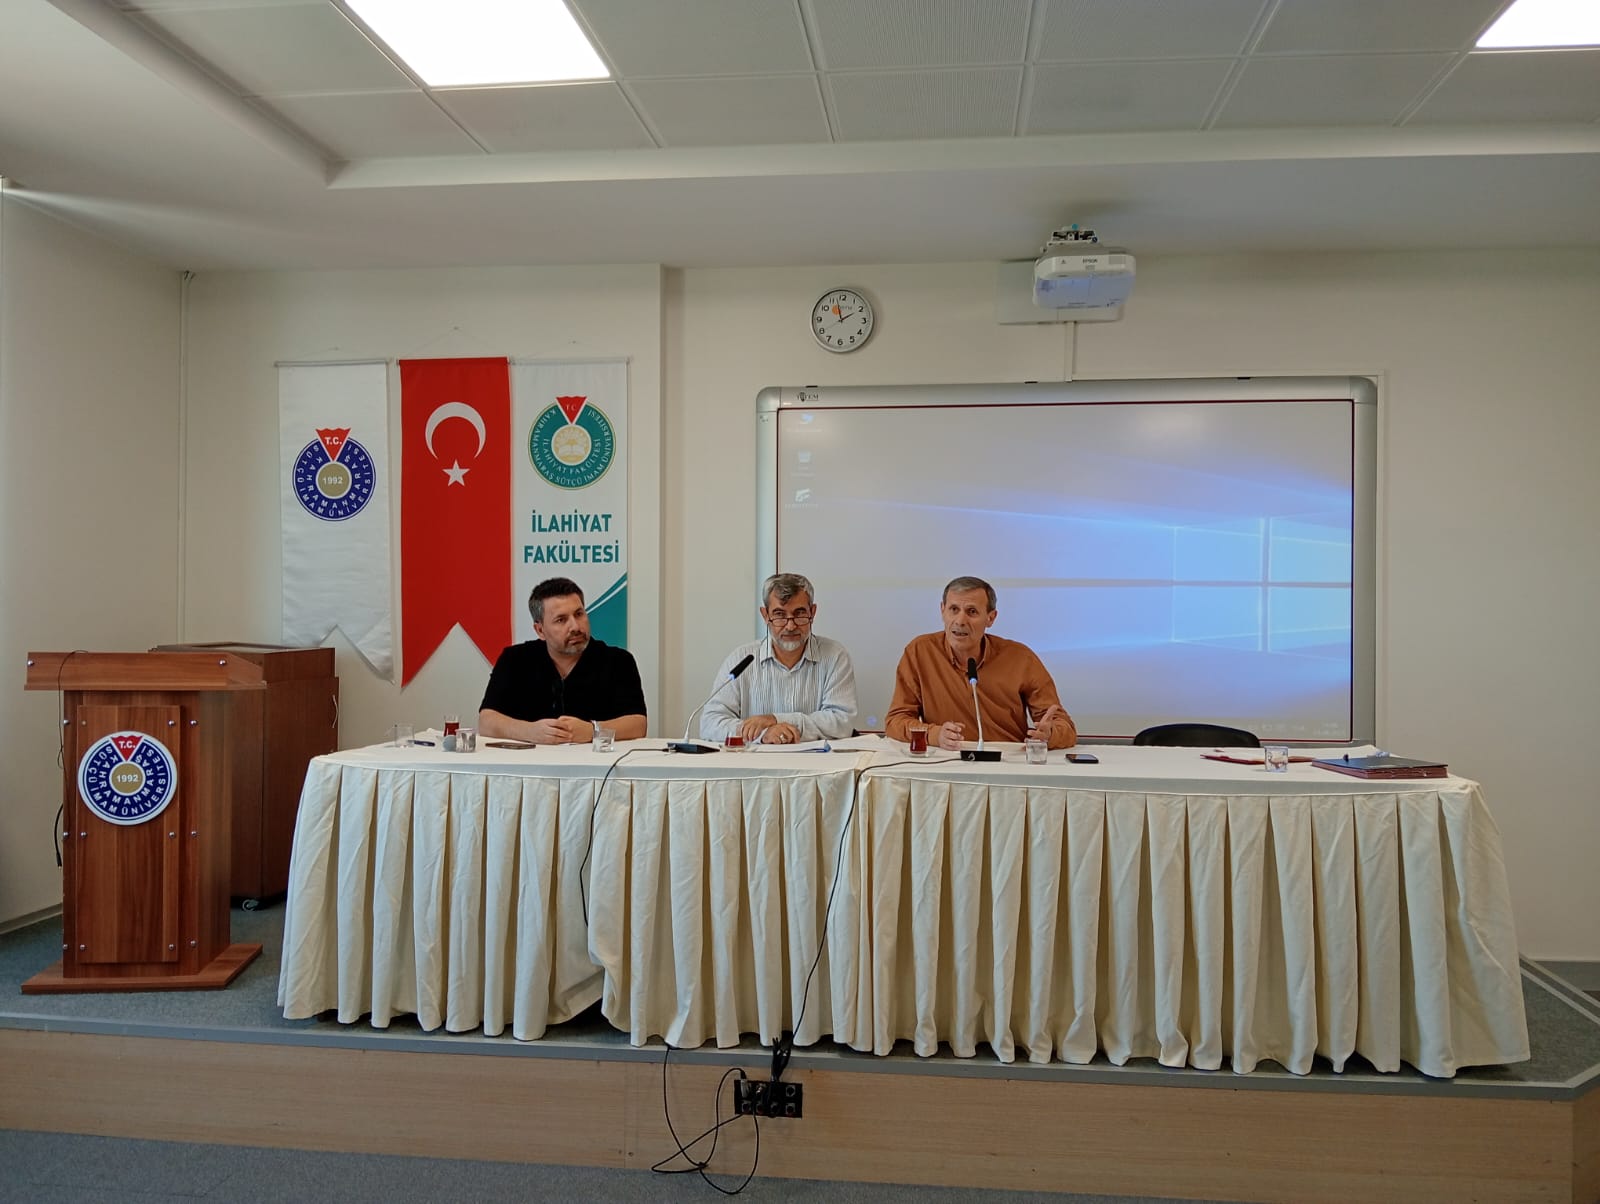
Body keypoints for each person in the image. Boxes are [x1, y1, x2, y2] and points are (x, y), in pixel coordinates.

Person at [885, 575, 1076, 751]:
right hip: (946, 761)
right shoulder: (920, 652)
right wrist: (933, 734)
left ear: (990, 618)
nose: (960, 621)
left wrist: (1050, 734)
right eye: (954, 610)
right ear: (942, 611)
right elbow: (896, 721)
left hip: (1006, 763)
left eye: (972, 612)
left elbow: (1065, 728)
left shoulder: (1020, 658)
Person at [478, 577, 647, 745]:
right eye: (561, 620)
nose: (575, 627)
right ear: (540, 630)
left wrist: (593, 730)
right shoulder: (514, 660)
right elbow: (486, 721)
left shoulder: (618, 661)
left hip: (597, 761)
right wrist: (529, 731)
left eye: (579, 614)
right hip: (532, 760)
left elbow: (638, 725)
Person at [699, 572, 857, 745]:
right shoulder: (741, 659)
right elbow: (710, 723)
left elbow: (842, 722)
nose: (790, 626)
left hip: (817, 760)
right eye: (780, 615)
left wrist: (775, 719)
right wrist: (764, 734)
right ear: (765, 615)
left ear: (812, 613)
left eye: (799, 614)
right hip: (755, 760)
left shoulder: (834, 656)